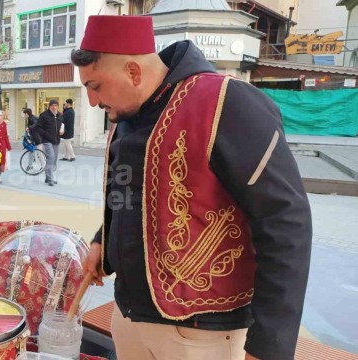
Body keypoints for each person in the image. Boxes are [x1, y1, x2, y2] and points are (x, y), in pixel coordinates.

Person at [74, 16, 312, 360]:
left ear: (133, 72)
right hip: (128, 317)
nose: (92, 101)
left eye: (95, 86)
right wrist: (102, 242)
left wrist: (269, 346)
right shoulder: (126, 116)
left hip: (202, 336)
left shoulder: (227, 103)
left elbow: (286, 221)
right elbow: (131, 197)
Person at [29, 99, 63, 186]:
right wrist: (45, 134)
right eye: (52, 105)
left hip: (56, 140)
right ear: (49, 106)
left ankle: (47, 177)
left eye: (56, 105)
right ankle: (50, 179)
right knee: (50, 157)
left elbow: (62, 125)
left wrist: (63, 131)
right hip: (47, 140)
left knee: (53, 160)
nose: (54, 107)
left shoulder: (59, 115)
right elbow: (38, 127)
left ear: (57, 106)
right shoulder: (44, 115)